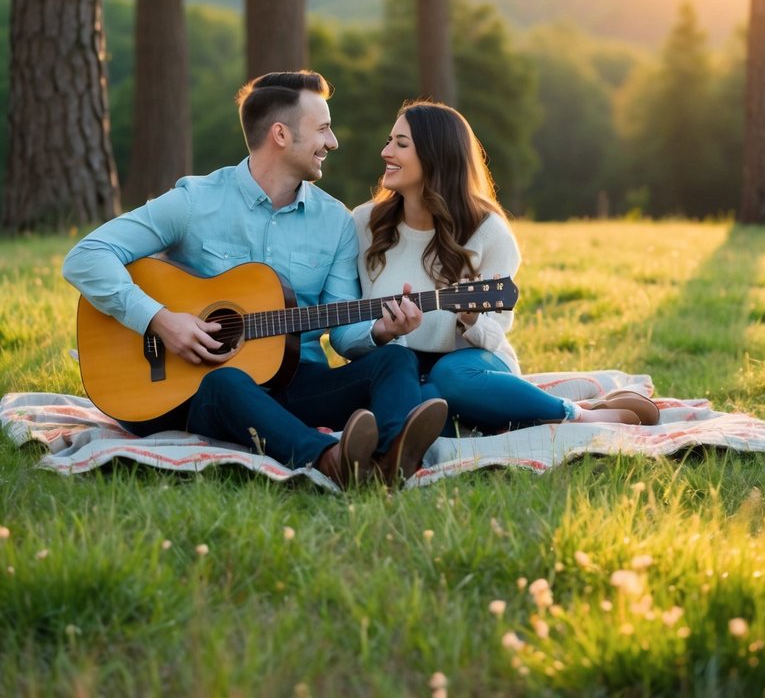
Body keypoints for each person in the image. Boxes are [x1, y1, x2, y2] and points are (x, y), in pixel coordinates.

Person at [63, 72, 447, 488]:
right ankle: (331, 460)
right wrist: (159, 319)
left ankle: (393, 459)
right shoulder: (196, 201)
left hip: (297, 384)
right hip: (191, 393)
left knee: (396, 359)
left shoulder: (335, 221)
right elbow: (86, 257)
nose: (332, 142)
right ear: (280, 134)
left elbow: (343, 335)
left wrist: (381, 331)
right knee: (227, 381)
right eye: (322, 129)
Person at [343, 100, 659, 432]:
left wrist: (470, 318)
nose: (386, 152)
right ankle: (532, 410)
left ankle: (581, 415)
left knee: (448, 380)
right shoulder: (366, 223)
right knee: (424, 403)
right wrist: (384, 333)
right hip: (396, 368)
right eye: (388, 141)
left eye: (400, 144)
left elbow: (495, 334)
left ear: (435, 155)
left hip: (471, 366)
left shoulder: (487, 230)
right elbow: (348, 329)